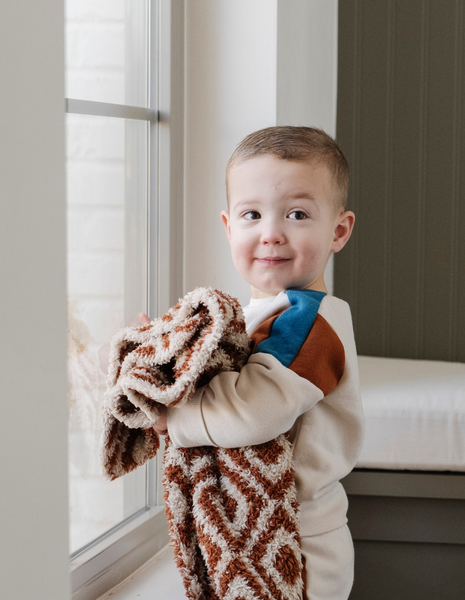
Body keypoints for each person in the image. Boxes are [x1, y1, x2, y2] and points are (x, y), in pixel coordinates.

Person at [149, 126, 365, 600]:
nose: (271, 233)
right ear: (229, 227)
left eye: (297, 214)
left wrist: (172, 415)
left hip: (298, 539)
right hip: (253, 524)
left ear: (339, 231)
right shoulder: (255, 315)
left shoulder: (310, 320)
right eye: (252, 214)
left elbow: (254, 411)